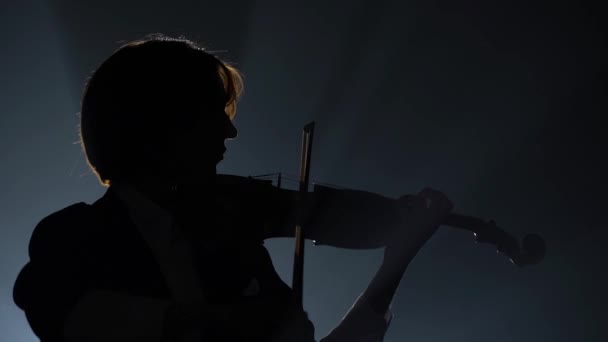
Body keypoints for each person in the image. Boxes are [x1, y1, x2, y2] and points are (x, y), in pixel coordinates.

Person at [12, 34, 453, 342]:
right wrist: (219, 323)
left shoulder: (244, 258)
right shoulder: (76, 237)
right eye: (211, 113)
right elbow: (58, 307)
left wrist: (395, 265)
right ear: (159, 121)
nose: (230, 131)